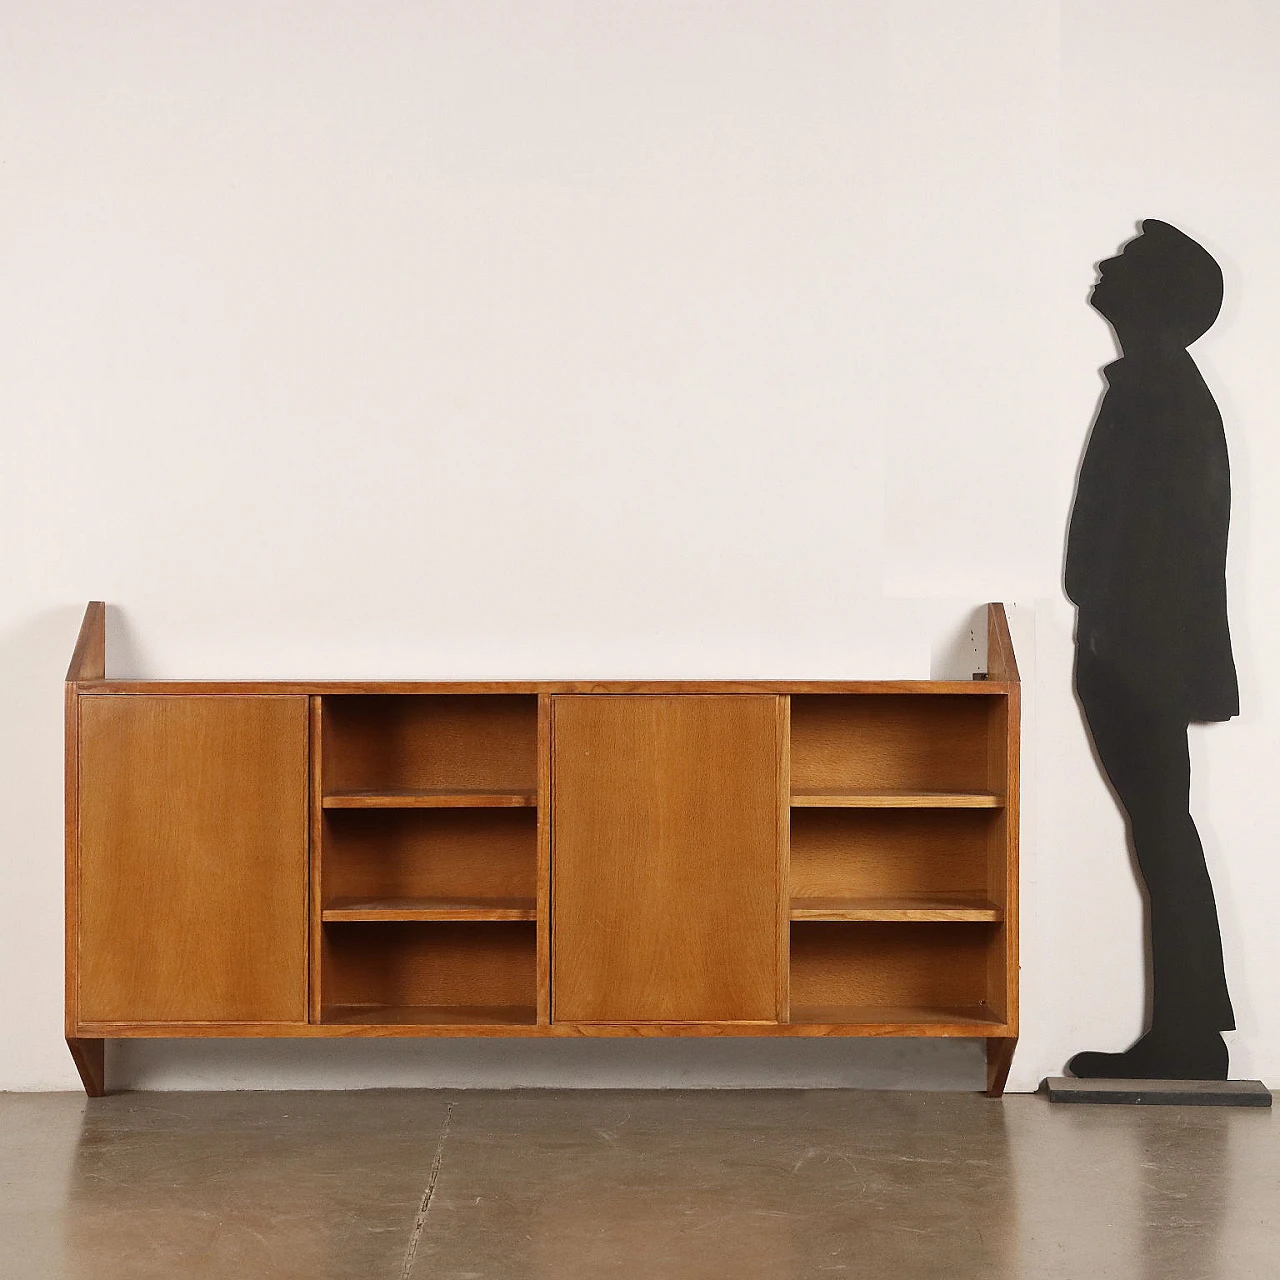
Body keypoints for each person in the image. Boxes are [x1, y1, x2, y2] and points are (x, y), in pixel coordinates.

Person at [1065, 219, 1237, 1080]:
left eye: (1126, 262)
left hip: (1139, 653)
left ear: (1159, 295)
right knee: (1163, 831)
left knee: (1164, 831)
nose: (1103, 264)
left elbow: (1176, 539)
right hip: (1130, 646)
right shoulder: (1156, 387)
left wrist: (1117, 640)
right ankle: (1188, 1031)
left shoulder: (1162, 392)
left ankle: (1190, 1036)